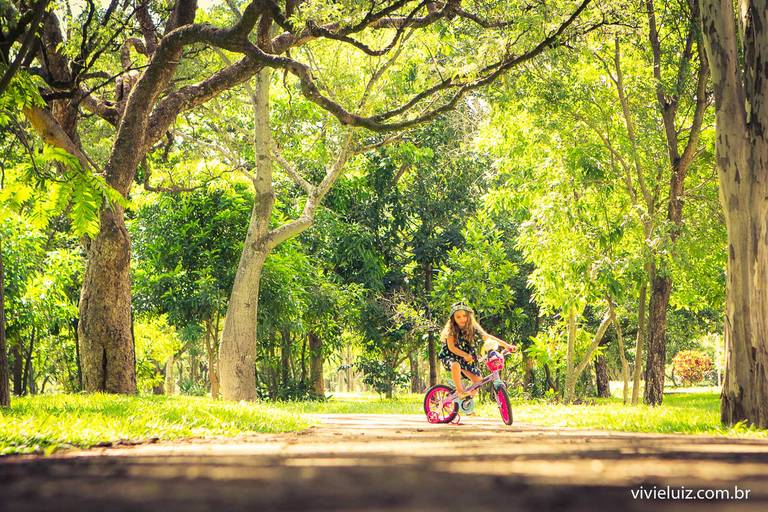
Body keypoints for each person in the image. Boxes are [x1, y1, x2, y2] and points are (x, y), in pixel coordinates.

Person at [438, 301, 516, 397]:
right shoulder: (451, 330)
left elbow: (487, 337)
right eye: (458, 317)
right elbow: (452, 348)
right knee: (455, 365)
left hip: (466, 359)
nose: (462, 319)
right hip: (451, 356)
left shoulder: (473, 328)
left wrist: (506, 345)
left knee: (478, 381)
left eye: (464, 316)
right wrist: (465, 355)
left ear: (469, 316)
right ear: (453, 319)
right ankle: (460, 391)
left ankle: (466, 401)